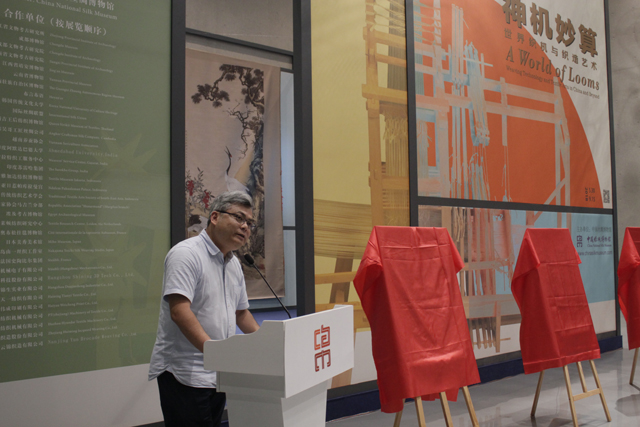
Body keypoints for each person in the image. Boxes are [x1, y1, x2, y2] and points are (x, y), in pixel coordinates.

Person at [148, 191, 260, 427]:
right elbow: (179, 311)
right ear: (215, 217)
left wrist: (268, 344)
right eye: (239, 218)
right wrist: (214, 353)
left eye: (249, 223)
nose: (245, 227)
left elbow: (241, 313)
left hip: (218, 371)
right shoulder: (186, 254)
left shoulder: (233, 263)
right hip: (185, 373)